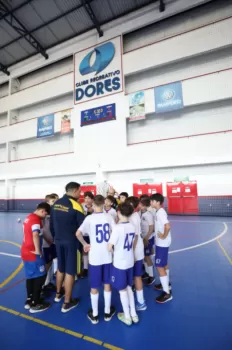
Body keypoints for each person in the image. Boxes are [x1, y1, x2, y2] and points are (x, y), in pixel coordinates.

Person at [76, 195, 115, 324]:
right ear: (104, 204)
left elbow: (78, 233)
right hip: (107, 256)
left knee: (94, 286)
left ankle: (95, 314)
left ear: (92, 205)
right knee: (107, 284)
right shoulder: (109, 217)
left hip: (95, 257)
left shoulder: (89, 218)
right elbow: (115, 233)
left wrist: (85, 244)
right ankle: (107, 312)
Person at [50, 182, 85, 313]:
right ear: (75, 190)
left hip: (58, 240)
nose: (80, 194)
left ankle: (58, 294)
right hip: (72, 242)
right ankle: (67, 302)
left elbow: (51, 224)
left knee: (61, 267)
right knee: (70, 271)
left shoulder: (56, 204)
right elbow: (83, 228)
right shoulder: (77, 205)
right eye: (79, 191)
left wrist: (56, 237)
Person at [108, 203, 139, 326]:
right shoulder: (132, 226)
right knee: (128, 288)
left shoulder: (117, 228)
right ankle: (134, 314)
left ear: (119, 213)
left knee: (122, 290)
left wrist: (112, 251)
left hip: (120, 262)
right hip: (130, 260)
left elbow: (110, 246)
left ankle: (127, 316)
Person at [21, 202, 51, 313]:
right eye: (45, 215)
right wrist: (38, 250)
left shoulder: (29, 217)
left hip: (25, 251)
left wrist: (49, 241)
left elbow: (40, 233)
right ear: (43, 211)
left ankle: (30, 300)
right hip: (33, 253)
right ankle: (36, 303)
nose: (45, 217)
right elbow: (35, 234)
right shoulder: (35, 220)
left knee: (30, 276)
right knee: (40, 276)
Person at [150, 193, 173, 303]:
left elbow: (167, 226)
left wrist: (163, 236)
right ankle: (167, 283)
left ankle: (167, 293)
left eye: (152, 201)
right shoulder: (158, 211)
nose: (151, 203)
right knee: (164, 263)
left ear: (158, 202)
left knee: (159, 265)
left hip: (162, 243)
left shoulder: (160, 213)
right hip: (162, 242)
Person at [127, 196, 146, 311]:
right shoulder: (133, 216)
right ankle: (138, 301)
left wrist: (132, 253)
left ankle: (140, 302)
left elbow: (135, 236)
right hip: (135, 250)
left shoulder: (133, 217)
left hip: (135, 251)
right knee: (135, 276)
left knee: (136, 277)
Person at [42, 194, 58, 292]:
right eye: (53, 201)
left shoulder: (54, 212)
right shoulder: (44, 215)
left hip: (54, 241)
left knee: (52, 261)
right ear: (47, 202)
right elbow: (41, 230)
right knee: (47, 263)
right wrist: (47, 239)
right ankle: (43, 284)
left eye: (56, 200)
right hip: (46, 243)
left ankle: (48, 282)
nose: (55, 203)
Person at [139, 197, 155, 285]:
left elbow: (151, 228)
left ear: (145, 206)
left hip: (147, 238)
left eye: (141, 205)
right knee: (144, 256)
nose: (139, 206)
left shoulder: (148, 215)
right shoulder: (140, 213)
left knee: (147, 257)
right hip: (143, 237)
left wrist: (146, 238)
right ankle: (147, 272)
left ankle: (151, 276)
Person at [81, 191, 95, 278]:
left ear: (92, 199)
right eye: (85, 198)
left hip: (93, 233)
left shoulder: (96, 206)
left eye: (88, 198)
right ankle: (85, 268)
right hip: (84, 232)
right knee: (85, 250)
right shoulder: (81, 206)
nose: (86, 200)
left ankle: (94, 267)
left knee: (94, 250)